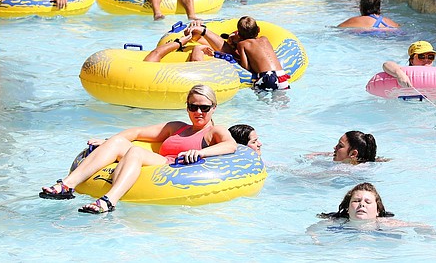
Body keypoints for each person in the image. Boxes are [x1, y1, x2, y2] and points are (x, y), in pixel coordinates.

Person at [38, 85, 237, 214]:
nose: (198, 112)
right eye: (193, 107)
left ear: (213, 108)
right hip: (157, 161)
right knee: (117, 142)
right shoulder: (176, 127)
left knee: (135, 152)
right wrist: (108, 142)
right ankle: (66, 186)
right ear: (187, 108)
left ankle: (109, 201)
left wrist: (200, 153)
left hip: (174, 167)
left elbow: (230, 145)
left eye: (204, 107)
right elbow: (137, 132)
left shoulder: (213, 131)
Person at [189, 17, 290, 91]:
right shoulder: (265, 39)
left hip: (266, 78)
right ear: (258, 29)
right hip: (281, 76)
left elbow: (245, 66)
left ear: (239, 35)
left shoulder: (242, 44)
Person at [318, 182, 394, 220]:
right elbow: (312, 231)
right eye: (356, 201)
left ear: (378, 211)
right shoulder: (334, 223)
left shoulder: (391, 226)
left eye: (368, 202)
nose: (362, 204)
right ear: (347, 208)